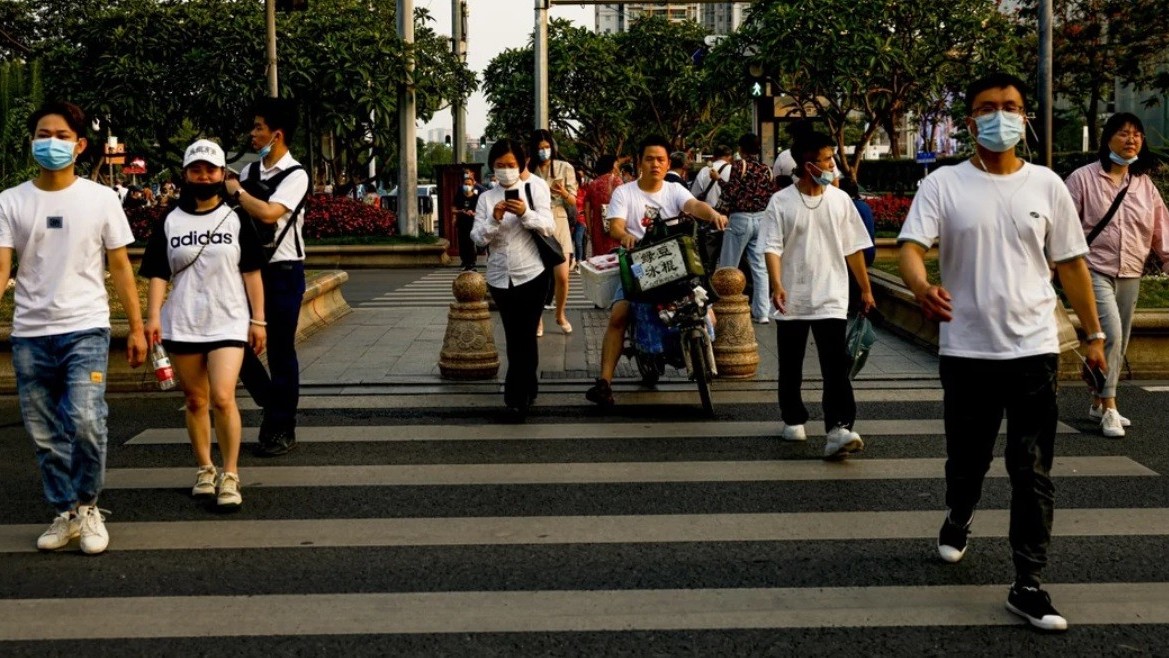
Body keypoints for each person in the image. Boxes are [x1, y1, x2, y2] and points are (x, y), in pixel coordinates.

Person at [898, 73, 1107, 632]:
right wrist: (921, 288)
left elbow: (1070, 265)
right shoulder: (943, 185)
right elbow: (912, 249)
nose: (1001, 115)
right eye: (988, 107)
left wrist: (1094, 337)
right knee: (968, 457)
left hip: (1034, 347)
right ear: (970, 121)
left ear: (1025, 117)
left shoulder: (1047, 185)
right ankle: (959, 512)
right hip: (966, 349)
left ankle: (1029, 582)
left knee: (1031, 467)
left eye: (1011, 106)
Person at [0, 101, 147, 554]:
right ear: (31, 142)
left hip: (85, 326)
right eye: (43, 134)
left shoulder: (101, 199)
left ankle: (88, 505)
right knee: (43, 432)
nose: (51, 143)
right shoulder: (11, 200)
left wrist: (138, 329)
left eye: (62, 136)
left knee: (85, 420)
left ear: (80, 145)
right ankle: (64, 510)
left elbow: (121, 266)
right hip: (30, 332)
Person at [140, 140, 267, 509]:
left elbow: (252, 271)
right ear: (185, 174)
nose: (204, 176)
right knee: (195, 400)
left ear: (222, 174)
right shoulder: (170, 220)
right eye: (196, 170)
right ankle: (204, 468)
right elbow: (159, 273)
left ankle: (231, 474)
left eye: (211, 170)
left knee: (224, 397)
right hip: (182, 322)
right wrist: (152, 318)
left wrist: (258, 320)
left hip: (228, 320)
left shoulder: (236, 217)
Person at [585, 135, 728, 406]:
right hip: (637, 264)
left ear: (667, 163)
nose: (655, 164)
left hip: (676, 263)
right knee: (619, 315)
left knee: (707, 307)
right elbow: (614, 225)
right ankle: (605, 382)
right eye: (649, 159)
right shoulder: (624, 192)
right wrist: (625, 236)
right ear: (640, 162)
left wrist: (713, 214)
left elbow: (694, 205)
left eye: (660, 159)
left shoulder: (674, 190)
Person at [759, 131, 874, 459]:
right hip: (792, 297)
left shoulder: (840, 201)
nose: (832, 165)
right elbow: (772, 247)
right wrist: (777, 284)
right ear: (808, 165)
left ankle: (839, 428)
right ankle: (793, 418)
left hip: (832, 296)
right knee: (791, 364)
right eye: (827, 160)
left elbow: (853, 249)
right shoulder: (780, 202)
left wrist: (865, 288)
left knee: (835, 366)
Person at [1065, 112, 1169, 438]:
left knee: (1120, 339)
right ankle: (1110, 406)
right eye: (1123, 133)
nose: (1131, 139)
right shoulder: (1082, 179)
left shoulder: (1144, 185)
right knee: (1110, 332)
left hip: (1131, 272)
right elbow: (1063, 226)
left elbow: (1160, 230)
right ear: (1108, 138)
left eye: (1137, 134)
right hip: (1092, 269)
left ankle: (1097, 397)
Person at [224, 97, 310, 457]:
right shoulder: (249, 173)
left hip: (284, 271)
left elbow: (270, 213)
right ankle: (273, 401)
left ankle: (281, 426)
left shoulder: (297, 175)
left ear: (277, 134)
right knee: (233, 339)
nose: (252, 133)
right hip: (248, 269)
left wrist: (237, 192)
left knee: (279, 350)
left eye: (258, 127)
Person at [472, 139, 555, 420]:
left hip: (532, 273)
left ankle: (517, 394)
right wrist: (494, 220)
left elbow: (548, 226)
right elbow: (477, 238)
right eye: (500, 166)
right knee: (512, 335)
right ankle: (527, 387)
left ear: (522, 165)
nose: (506, 171)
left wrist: (524, 213)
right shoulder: (486, 198)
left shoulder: (534, 188)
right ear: (492, 167)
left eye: (511, 165)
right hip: (499, 277)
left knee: (527, 334)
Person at [718, 134, 777, 324]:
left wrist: (718, 179)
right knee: (760, 268)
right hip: (761, 219)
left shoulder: (738, 165)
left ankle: (725, 306)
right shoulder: (766, 169)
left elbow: (730, 192)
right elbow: (770, 194)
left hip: (739, 219)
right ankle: (762, 313)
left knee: (729, 264)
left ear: (741, 149)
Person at [529, 129, 577, 335]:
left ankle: (560, 314)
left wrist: (564, 193)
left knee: (562, 275)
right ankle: (537, 319)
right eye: (540, 148)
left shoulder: (564, 167)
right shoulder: (529, 170)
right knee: (537, 276)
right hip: (536, 221)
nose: (544, 152)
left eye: (547, 147)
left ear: (553, 147)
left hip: (559, 219)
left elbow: (574, 201)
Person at [838, 177, 877, 315]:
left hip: (860, 251)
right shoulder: (863, 205)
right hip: (870, 251)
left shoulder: (850, 207)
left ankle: (852, 305)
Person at [584, 155, 623, 257]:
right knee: (615, 258)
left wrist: (590, 230)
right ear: (612, 165)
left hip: (597, 228)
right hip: (614, 225)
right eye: (616, 164)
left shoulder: (592, 184)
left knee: (600, 259)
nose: (617, 167)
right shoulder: (617, 181)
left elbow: (587, 209)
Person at [453, 169, 485, 271]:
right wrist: (459, 213)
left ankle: (471, 262)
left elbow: (483, 209)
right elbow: (454, 207)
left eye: (469, 184)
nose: (467, 185)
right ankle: (465, 261)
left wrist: (474, 213)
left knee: (471, 241)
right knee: (463, 242)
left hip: (474, 221)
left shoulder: (479, 191)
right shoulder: (460, 191)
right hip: (462, 221)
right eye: (465, 183)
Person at [690, 145, 732, 210]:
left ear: (714, 156)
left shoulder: (704, 170)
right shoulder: (733, 170)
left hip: (707, 212)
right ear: (729, 157)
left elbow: (694, 193)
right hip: (727, 213)